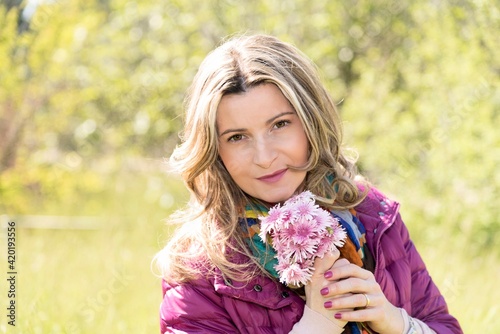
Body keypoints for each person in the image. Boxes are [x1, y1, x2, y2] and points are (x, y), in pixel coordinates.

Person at [154, 34, 462, 333]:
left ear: (311, 122)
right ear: (214, 149)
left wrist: (396, 322)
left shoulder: (371, 213)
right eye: (237, 137)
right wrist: (317, 326)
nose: (264, 157)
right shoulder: (199, 268)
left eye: (280, 124)